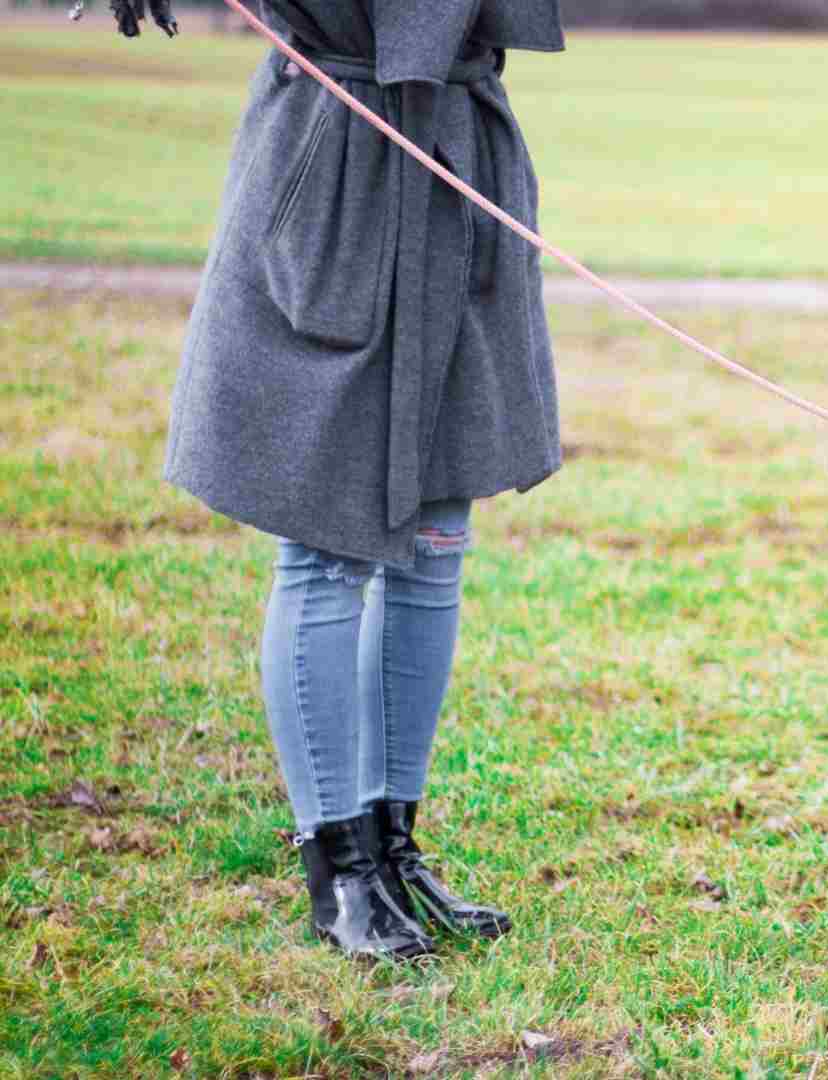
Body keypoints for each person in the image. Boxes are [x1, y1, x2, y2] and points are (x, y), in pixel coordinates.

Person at [117, 0, 568, 959]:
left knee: (439, 537)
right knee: (326, 546)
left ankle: (391, 846)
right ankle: (340, 874)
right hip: (338, 168)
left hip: (458, 157)